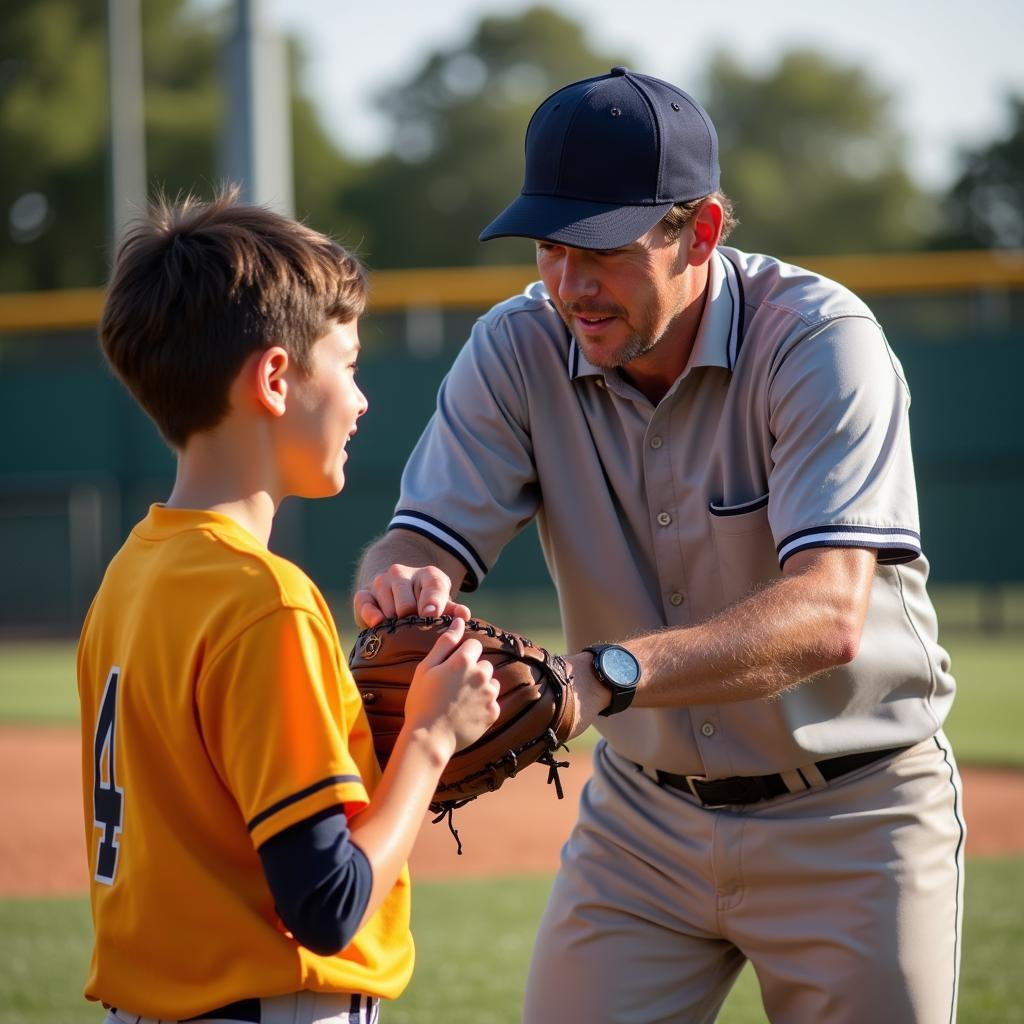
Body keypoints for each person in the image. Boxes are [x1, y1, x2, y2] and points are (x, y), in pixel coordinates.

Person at [354, 67, 965, 1023]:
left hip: (853, 814)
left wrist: (601, 676)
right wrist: (404, 581)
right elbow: (417, 536)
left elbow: (828, 612)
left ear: (703, 231)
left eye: (600, 249)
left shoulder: (818, 341)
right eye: (551, 247)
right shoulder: (515, 348)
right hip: (642, 819)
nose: (567, 285)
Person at [77, 188, 501, 1024]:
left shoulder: (130, 575)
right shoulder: (268, 601)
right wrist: (428, 740)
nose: (361, 397)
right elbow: (327, 906)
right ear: (276, 377)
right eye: (346, 362)